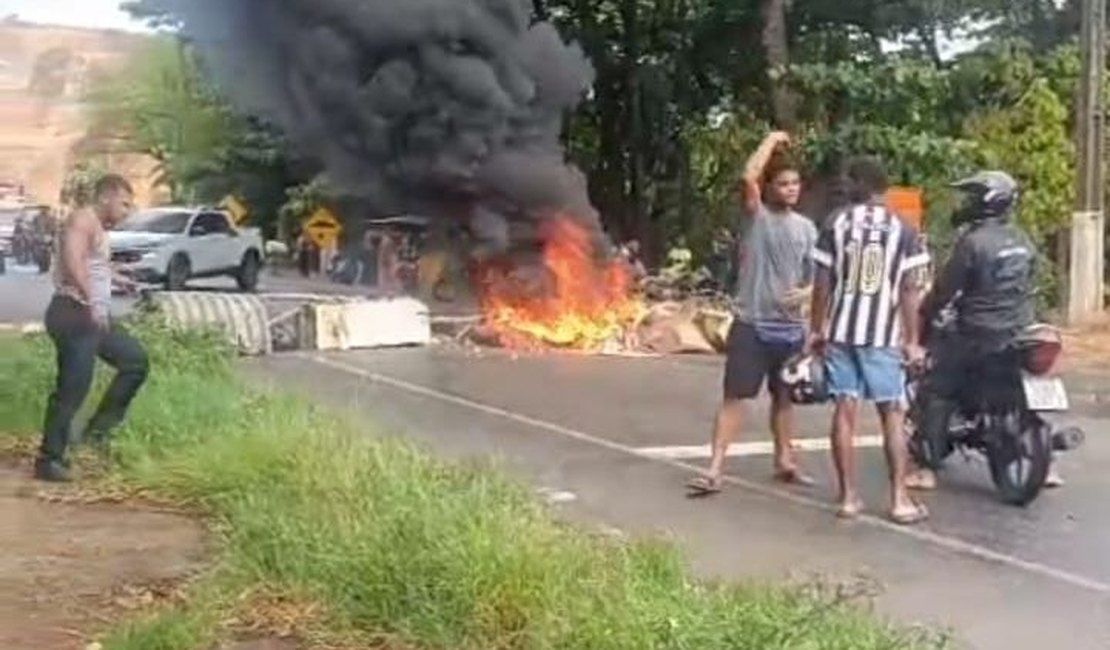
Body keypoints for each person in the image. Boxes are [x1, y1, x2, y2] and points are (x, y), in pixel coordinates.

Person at [905, 170, 1064, 491]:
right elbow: (1030, 284)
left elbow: (944, 292)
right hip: (1020, 330)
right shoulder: (1023, 240)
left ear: (983, 203)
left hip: (977, 334)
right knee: (1027, 383)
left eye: (971, 198)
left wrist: (925, 317)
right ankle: (1048, 468)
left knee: (936, 390)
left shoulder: (972, 243)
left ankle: (926, 467)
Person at [686, 130, 817, 496]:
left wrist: (806, 293)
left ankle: (785, 461)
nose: (791, 189)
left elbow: (819, 278)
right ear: (770, 188)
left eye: (795, 183)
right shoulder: (757, 217)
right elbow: (748, 176)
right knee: (736, 399)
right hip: (752, 325)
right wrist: (772, 140)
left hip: (790, 330)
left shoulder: (807, 229)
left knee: (785, 399)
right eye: (783, 183)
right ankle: (714, 469)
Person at [807, 156, 929, 524]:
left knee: (845, 411)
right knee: (892, 413)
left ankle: (848, 498)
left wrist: (817, 328)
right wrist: (912, 340)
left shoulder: (836, 223)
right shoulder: (903, 229)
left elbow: (822, 284)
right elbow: (910, 290)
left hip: (842, 332)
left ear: (859, 184)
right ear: (883, 187)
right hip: (881, 336)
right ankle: (899, 499)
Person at [36, 174, 148, 483]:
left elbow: (92, 261)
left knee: (134, 361)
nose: (127, 211)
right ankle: (49, 459)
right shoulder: (82, 220)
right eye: (124, 203)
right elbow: (74, 261)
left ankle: (96, 435)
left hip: (90, 318)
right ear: (106, 197)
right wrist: (93, 301)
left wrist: (117, 276)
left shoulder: (97, 227)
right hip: (74, 313)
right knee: (72, 388)